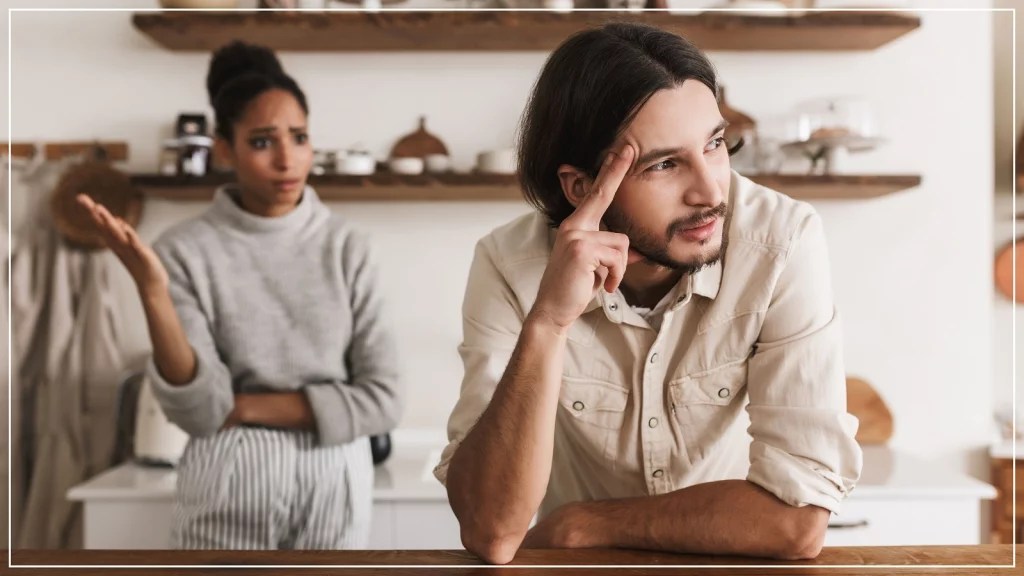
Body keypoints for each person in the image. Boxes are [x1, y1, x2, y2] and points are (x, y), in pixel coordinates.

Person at [433, 23, 863, 564]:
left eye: (715, 145)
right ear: (583, 189)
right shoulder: (508, 265)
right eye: (664, 164)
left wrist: (584, 524)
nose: (710, 191)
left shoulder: (781, 241)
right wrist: (548, 323)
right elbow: (491, 531)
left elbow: (797, 523)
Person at [79, 41, 403, 550]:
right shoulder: (183, 251)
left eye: (299, 138)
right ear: (224, 148)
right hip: (226, 480)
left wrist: (245, 406)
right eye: (261, 142)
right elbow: (202, 411)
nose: (286, 159)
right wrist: (153, 291)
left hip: (336, 480)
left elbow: (384, 400)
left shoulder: (349, 247)